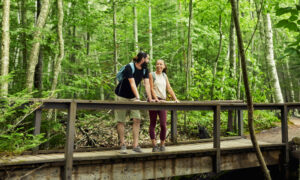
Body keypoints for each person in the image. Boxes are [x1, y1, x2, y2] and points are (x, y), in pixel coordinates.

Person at [114, 52, 152, 154]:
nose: (148, 61)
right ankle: (122, 144)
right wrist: (138, 97)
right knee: (121, 120)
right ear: (142, 59)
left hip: (133, 98)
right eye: (147, 59)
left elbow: (147, 85)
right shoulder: (129, 67)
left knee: (137, 119)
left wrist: (150, 98)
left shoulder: (145, 69)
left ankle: (135, 145)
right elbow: (132, 83)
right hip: (121, 96)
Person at [149, 59, 179, 152]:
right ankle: (154, 145)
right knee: (153, 123)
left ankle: (162, 144)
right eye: (157, 64)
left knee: (163, 124)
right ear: (155, 65)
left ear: (164, 66)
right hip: (154, 101)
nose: (159, 65)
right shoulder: (152, 75)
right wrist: (156, 99)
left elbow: (169, 88)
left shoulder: (164, 76)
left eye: (161, 64)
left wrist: (175, 99)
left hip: (163, 101)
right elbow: (151, 88)